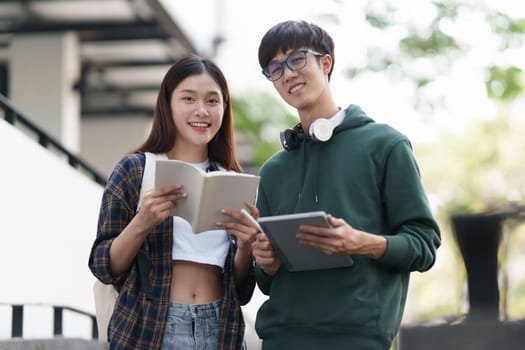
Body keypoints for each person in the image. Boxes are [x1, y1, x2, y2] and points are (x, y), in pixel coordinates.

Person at [250, 20, 442, 350]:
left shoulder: (386, 145)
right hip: (281, 339)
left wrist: (361, 243)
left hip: (357, 340)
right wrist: (265, 263)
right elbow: (266, 282)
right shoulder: (272, 171)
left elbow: (424, 245)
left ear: (326, 62)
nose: (288, 74)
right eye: (275, 68)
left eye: (297, 59)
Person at [88, 55, 260, 350]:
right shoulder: (136, 170)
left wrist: (246, 247)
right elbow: (103, 265)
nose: (201, 110)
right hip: (150, 327)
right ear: (167, 104)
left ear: (224, 107)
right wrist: (142, 222)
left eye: (212, 101)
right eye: (188, 98)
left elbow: (241, 290)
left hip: (221, 328)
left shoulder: (232, 180)